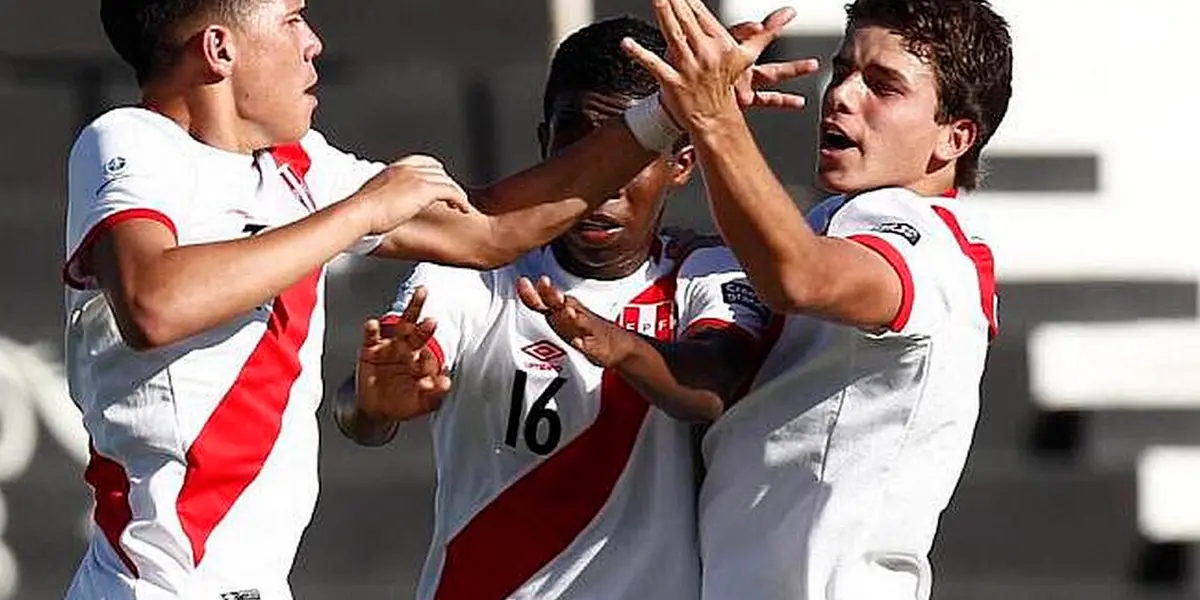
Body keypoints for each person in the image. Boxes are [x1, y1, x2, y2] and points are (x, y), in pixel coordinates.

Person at [62, 0, 808, 598]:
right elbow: (154, 303)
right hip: (151, 584)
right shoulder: (130, 139)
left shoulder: (297, 169)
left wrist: (675, 112)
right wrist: (360, 214)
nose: (313, 43)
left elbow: (491, 229)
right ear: (220, 49)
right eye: (291, 19)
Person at [336, 17, 783, 600]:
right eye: (580, 150)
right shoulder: (475, 273)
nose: (604, 186)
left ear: (681, 162)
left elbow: (713, 386)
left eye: (632, 157)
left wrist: (621, 346)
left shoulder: (703, 273)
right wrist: (372, 403)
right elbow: (361, 410)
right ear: (546, 145)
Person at [615, 0, 1012, 598]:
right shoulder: (836, 219)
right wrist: (683, 115)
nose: (842, 95)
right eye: (843, 69)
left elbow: (798, 276)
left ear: (954, 138)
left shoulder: (930, 246)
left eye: (883, 86)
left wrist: (714, 118)